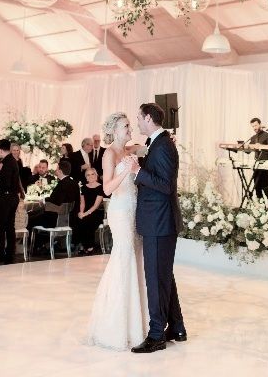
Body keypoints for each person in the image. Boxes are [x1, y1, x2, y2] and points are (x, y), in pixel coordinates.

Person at [87, 112, 148, 351]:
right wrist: (128, 171)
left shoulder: (129, 149)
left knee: (137, 258)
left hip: (134, 209)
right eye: (126, 126)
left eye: (130, 126)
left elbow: (145, 148)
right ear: (114, 130)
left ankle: (137, 323)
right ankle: (116, 326)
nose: (130, 129)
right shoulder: (109, 153)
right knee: (124, 258)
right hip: (121, 210)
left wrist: (163, 141)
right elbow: (108, 188)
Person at [129, 102, 186, 353]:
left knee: (155, 278)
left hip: (159, 222)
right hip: (159, 221)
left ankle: (156, 335)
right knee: (164, 277)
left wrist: (138, 172)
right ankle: (176, 327)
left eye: (139, 118)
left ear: (149, 118)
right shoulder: (158, 142)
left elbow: (165, 186)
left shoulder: (163, 145)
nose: (138, 122)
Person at [28, 160, 80, 240]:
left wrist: (44, 200)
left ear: (60, 171)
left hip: (55, 219)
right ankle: (42, 244)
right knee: (34, 214)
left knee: (29, 219)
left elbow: (57, 200)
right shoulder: (74, 183)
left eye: (57, 168)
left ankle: (33, 246)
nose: (55, 170)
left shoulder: (62, 184)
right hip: (69, 218)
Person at [0, 139, 20, 264]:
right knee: (9, 226)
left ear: (1, 150)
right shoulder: (12, 160)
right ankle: (9, 253)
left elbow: (5, 183)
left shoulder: (7, 162)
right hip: (13, 197)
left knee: (0, 226)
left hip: (6, 197)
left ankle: (0, 255)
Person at [247, 118, 268, 209]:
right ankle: (261, 209)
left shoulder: (267, 136)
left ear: (260, 124)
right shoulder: (253, 138)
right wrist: (242, 146)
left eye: (255, 125)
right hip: (257, 165)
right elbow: (248, 151)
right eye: (253, 126)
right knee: (257, 188)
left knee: (266, 187)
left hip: (266, 164)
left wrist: (261, 146)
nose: (254, 127)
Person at [75, 168, 104, 254]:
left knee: (88, 221)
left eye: (92, 174)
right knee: (78, 219)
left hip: (96, 212)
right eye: (88, 175)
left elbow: (96, 205)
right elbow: (82, 203)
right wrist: (81, 212)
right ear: (86, 177)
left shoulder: (100, 187)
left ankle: (90, 247)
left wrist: (85, 214)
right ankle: (83, 245)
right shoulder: (84, 187)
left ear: (96, 176)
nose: (91, 176)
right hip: (86, 211)